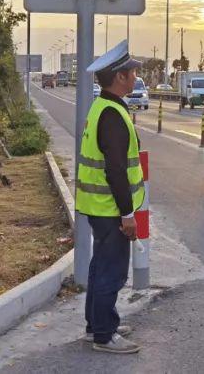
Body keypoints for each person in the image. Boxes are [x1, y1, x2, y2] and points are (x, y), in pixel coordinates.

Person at [76, 40, 145, 354]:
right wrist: (127, 214)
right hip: (110, 208)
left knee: (99, 266)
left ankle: (98, 326)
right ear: (120, 77)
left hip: (98, 205)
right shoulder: (113, 114)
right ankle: (104, 335)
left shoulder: (103, 105)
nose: (135, 77)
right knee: (111, 271)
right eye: (132, 72)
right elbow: (116, 170)